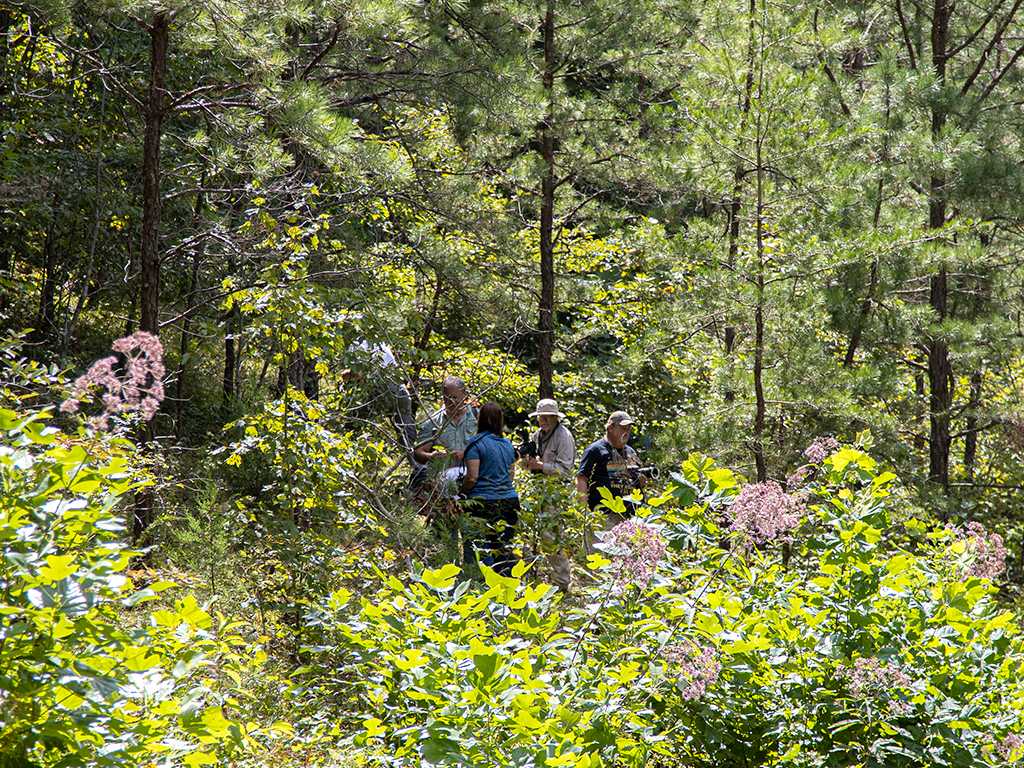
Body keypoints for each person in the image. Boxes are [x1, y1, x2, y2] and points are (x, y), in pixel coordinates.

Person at [521, 398, 576, 591]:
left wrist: (542, 466)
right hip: (538, 490)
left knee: (552, 536)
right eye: (539, 417)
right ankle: (533, 577)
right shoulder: (537, 436)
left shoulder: (563, 436)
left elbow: (566, 470)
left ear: (554, 417)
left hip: (556, 493)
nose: (542, 420)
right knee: (531, 535)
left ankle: (561, 583)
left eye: (546, 417)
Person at [460, 402, 519, 575]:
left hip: (483, 503)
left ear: (480, 419)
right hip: (510, 503)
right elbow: (510, 475)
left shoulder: (475, 444)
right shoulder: (507, 445)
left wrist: (461, 494)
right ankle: (505, 591)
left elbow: (472, 477)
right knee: (503, 550)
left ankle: (478, 587)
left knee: (477, 549)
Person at [576, 410, 646, 527]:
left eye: (629, 429)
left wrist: (641, 481)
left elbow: (637, 481)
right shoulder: (595, 450)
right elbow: (581, 479)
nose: (627, 432)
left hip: (629, 517)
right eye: (623, 428)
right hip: (603, 516)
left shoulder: (630, 452)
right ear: (610, 428)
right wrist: (584, 512)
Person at [411, 376, 477, 498]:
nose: (450, 402)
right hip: (443, 483)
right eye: (446, 398)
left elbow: (490, 447)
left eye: (454, 397)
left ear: (465, 396)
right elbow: (418, 452)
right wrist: (431, 456)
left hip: (473, 480)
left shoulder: (477, 417)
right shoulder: (433, 421)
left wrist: (467, 454)